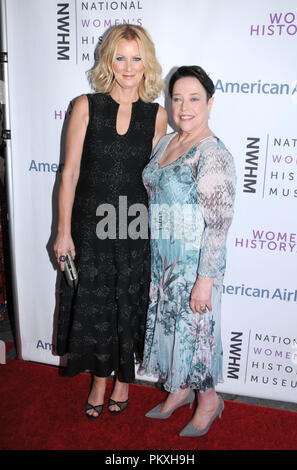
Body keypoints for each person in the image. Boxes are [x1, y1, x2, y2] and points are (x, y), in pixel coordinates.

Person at [54, 24, 167, 419]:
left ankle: (123, 380)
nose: (129, 66)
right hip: (90, 226)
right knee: (96, 304)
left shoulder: (157, 116)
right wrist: (63, 231)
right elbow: (68, 173)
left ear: (146, 62)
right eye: (121, 57)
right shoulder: (86, 105)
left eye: (136, 58)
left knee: (127, 303)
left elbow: (156, 181)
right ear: (109, 61)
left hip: (134, 226)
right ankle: (100, 378)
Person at [142, 66, 236, 436]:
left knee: (196, 335)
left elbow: (219, 224)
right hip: (163, 261)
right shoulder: (167, 142)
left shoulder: (212, 154)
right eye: (177, 98)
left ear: (210, 103)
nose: (184, 106)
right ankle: (179, 389)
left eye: (194, 98)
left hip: (194, 265)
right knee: (170, 331)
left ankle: (209, 400)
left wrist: (204, 280)